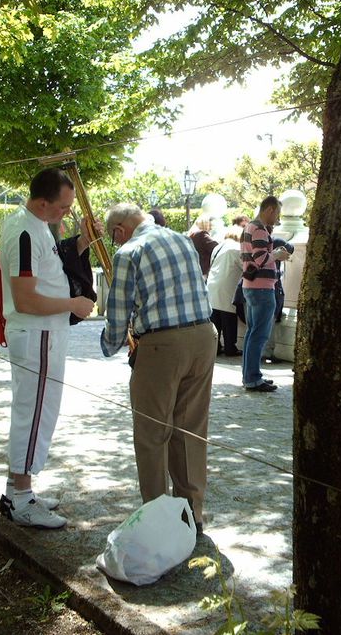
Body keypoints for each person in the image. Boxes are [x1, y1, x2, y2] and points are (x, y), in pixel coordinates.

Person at [100, 203, 215, 534]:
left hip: (163, 345)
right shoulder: (181, 239)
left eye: (113, 238)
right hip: (204, 337)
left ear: (119, 231)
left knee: (152, 433)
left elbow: (118, 314)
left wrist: (108, 345)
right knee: (190, 430)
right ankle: (191, 515)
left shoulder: (129, 251)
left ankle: (157, 518)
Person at [0, 168, 96, 529]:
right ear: (42, 202)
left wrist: (82, 242)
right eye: (63, 207)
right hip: (36, 332)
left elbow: (51, 269)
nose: (67, 213)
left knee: (39, 410)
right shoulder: (24, 231)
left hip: (45, 334)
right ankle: (20, 499)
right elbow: (25, 299)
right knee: (34, 413)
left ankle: (18, 490)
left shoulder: (37, 226)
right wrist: (72, 305)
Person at [240, 196, 291, 392]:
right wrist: (278, 254)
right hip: (262, 287)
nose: (277, 218)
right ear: (269, 210)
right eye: (277, 213)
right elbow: (261, 259)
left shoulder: (249, 227)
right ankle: (253, 378)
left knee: (252, 333)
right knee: (259, 335)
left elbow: (252, 257)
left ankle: (249, 376)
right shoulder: (259, 229)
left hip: (250, 285)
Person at [206, 225, 243, 356]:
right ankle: (230, 347)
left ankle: (215, 347)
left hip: (212, 285)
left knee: (215, 318)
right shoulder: (237, 248)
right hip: (227, 286)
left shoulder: (218, 247)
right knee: (229, 318)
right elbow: (245, 266)